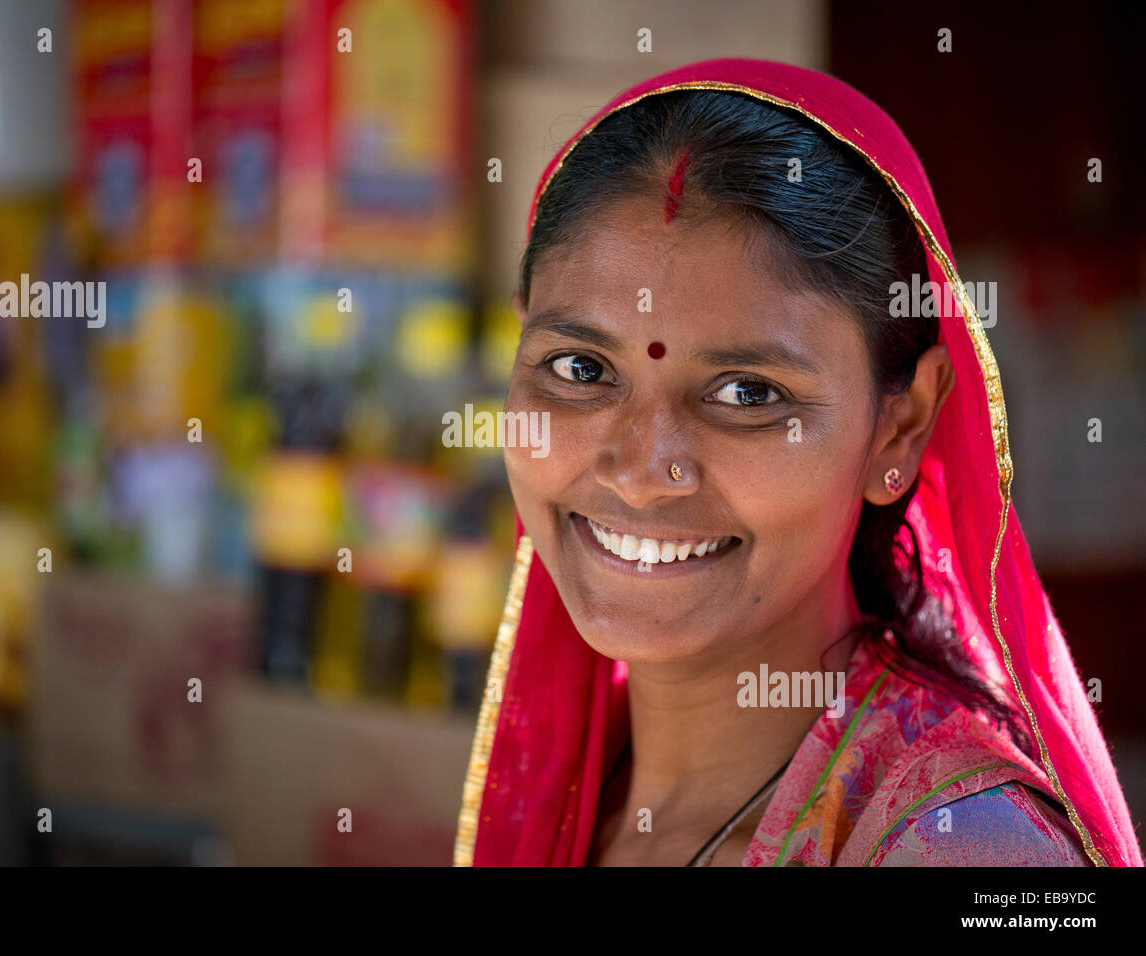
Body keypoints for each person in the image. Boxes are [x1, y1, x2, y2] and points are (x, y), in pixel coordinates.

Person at [452, 58, 1141, 867]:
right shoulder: (573, 788)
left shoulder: (970, 852)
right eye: (579, 370)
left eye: (747, 393)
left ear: (899, 427)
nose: (640, 470)